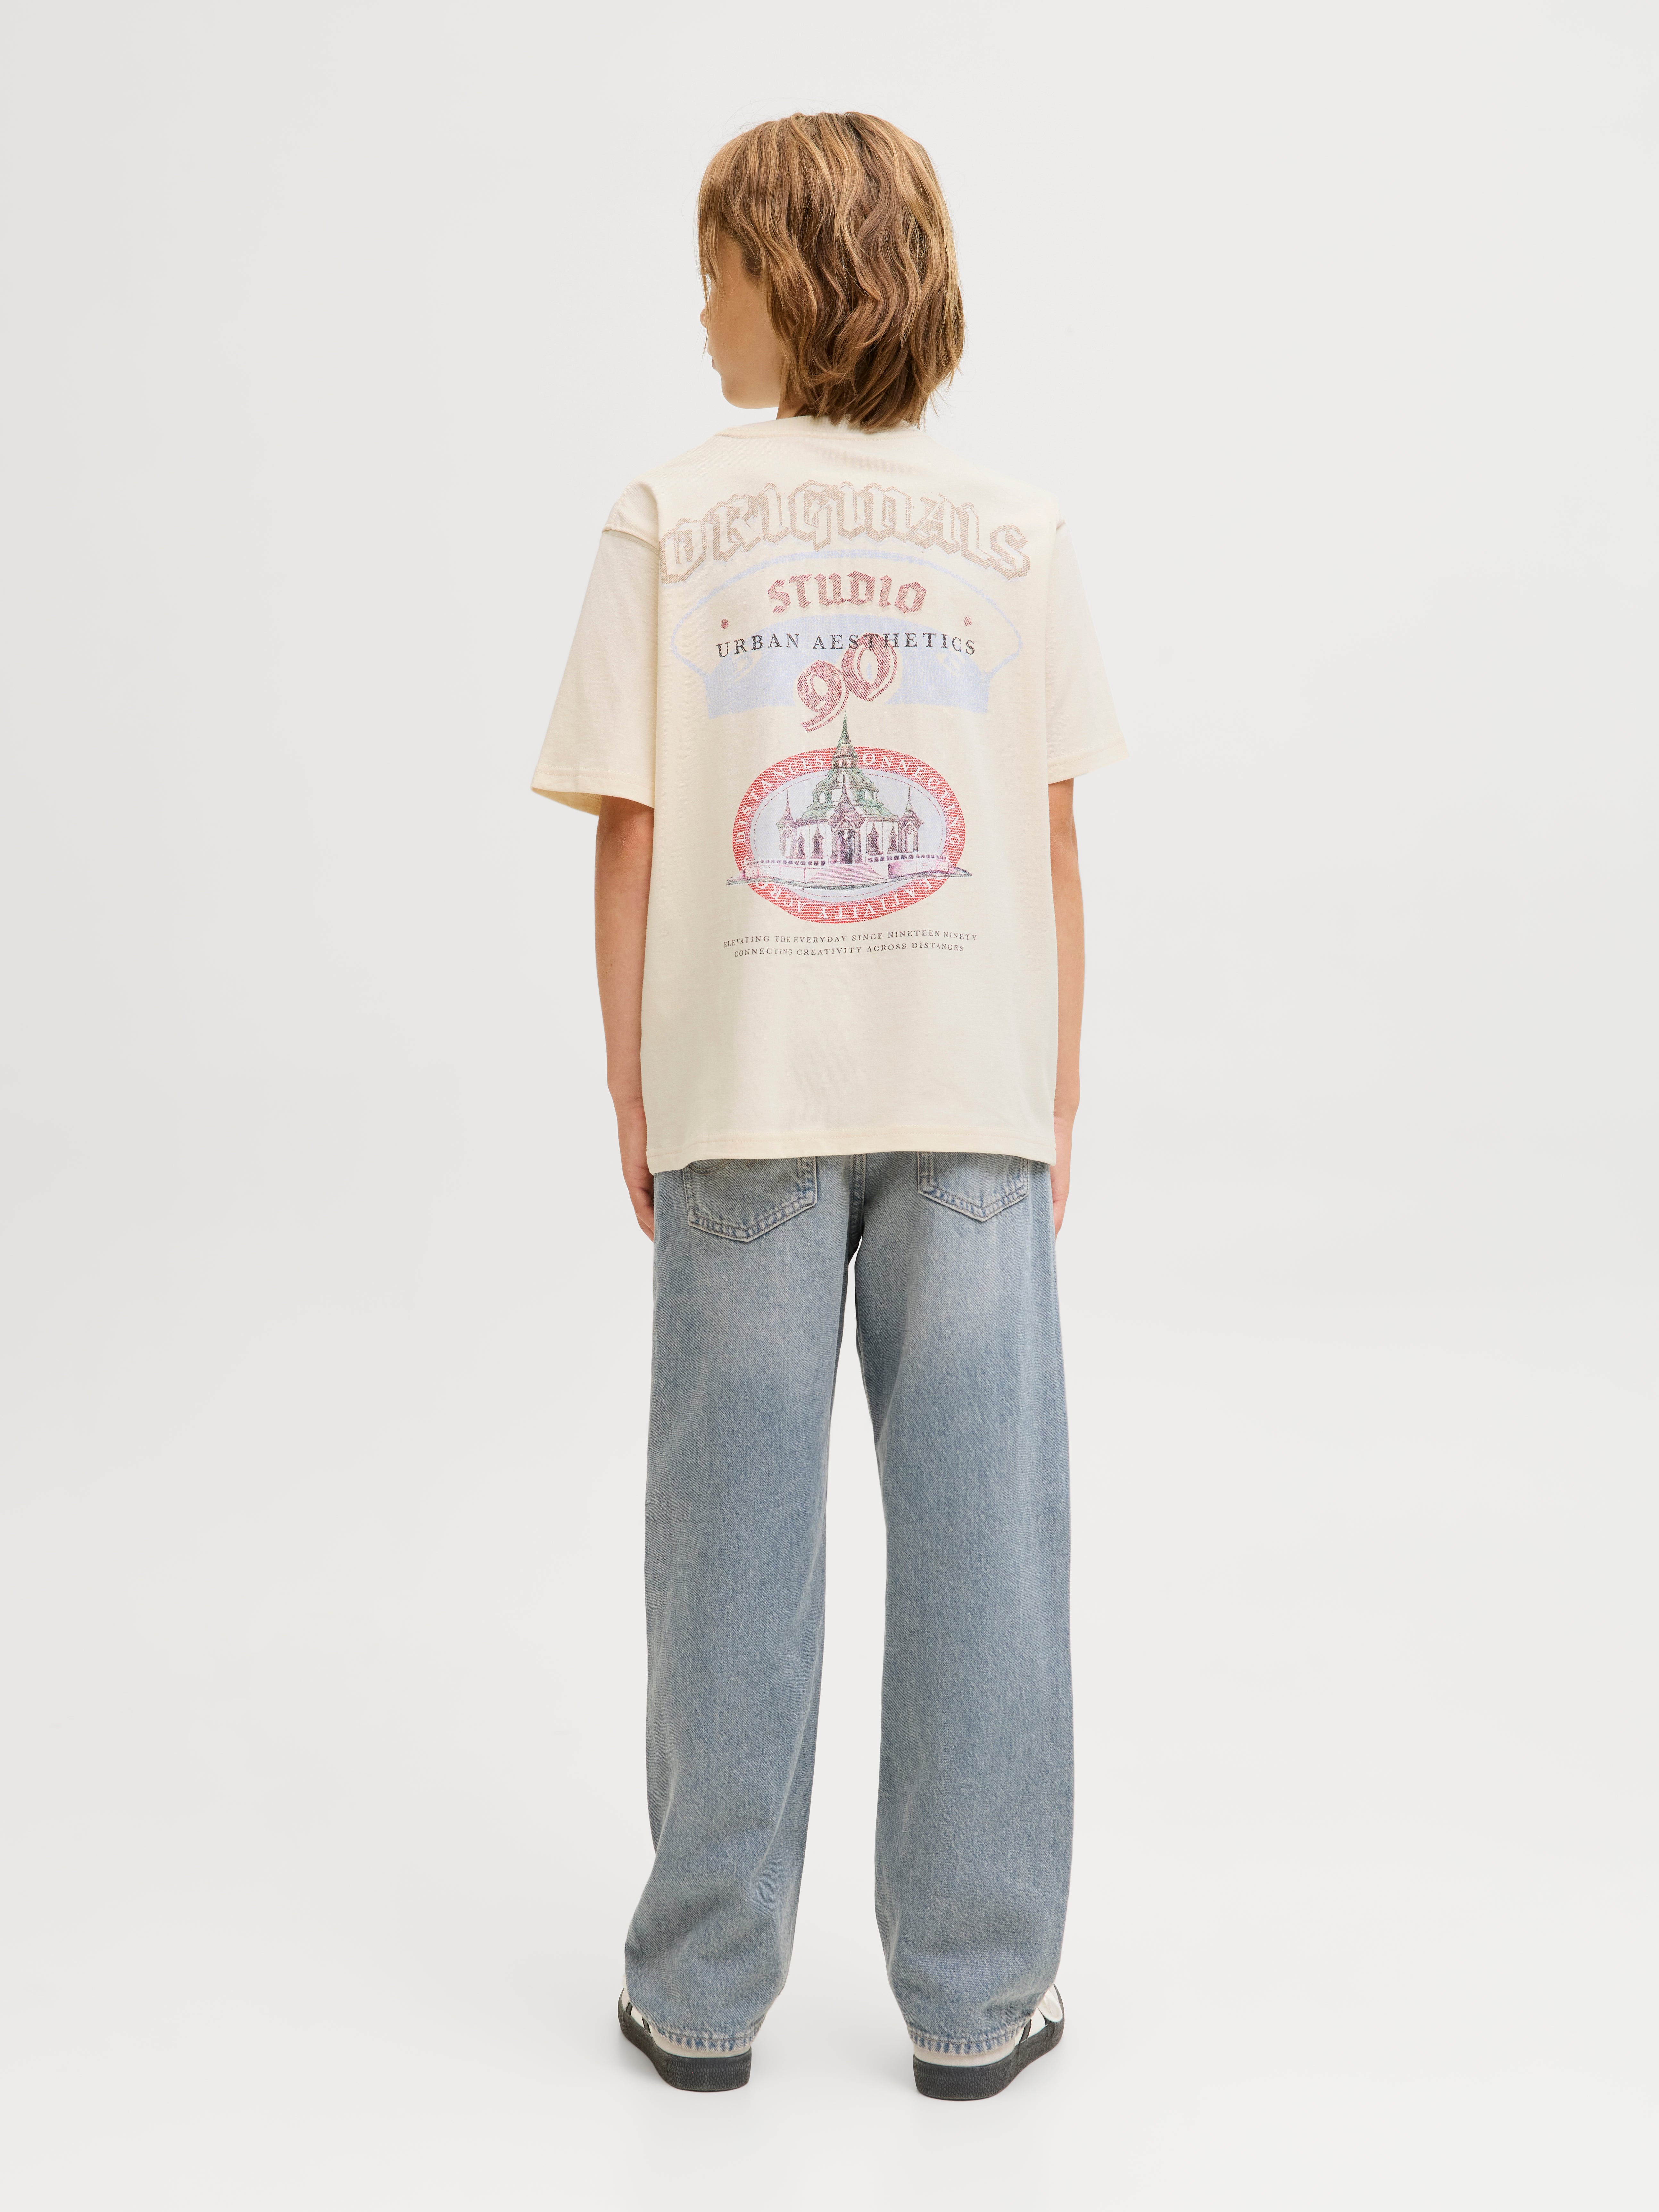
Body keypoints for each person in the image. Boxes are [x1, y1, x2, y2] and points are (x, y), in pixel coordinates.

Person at [533, 112, 1126, 2100]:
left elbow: (631, 832)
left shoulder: (668, 517)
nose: (698, 306)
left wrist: (634, 1077)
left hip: (744, 1092)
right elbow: (1048, 835)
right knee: (984, 1538)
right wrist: (1054, 1087)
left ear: (790, 284)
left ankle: (702, 1989)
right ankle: (978, 1996)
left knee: (727, 1537)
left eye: (714, 269)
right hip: (971, 1096)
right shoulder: (1017, 532)